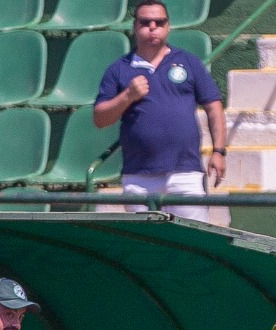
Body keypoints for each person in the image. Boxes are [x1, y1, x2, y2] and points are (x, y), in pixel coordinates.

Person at [94, 1, 227, 223]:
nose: (153, 26)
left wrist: (219, 151)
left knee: (194, 238)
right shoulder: (119, 69)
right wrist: (128, 96)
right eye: (146, 22)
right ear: (135, 26)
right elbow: (100, 119)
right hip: (138, 175)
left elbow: (213, 106)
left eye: (160, 22)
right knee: (147, 243)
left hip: (185, 172)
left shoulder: (188, 62)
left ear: (168, 26)